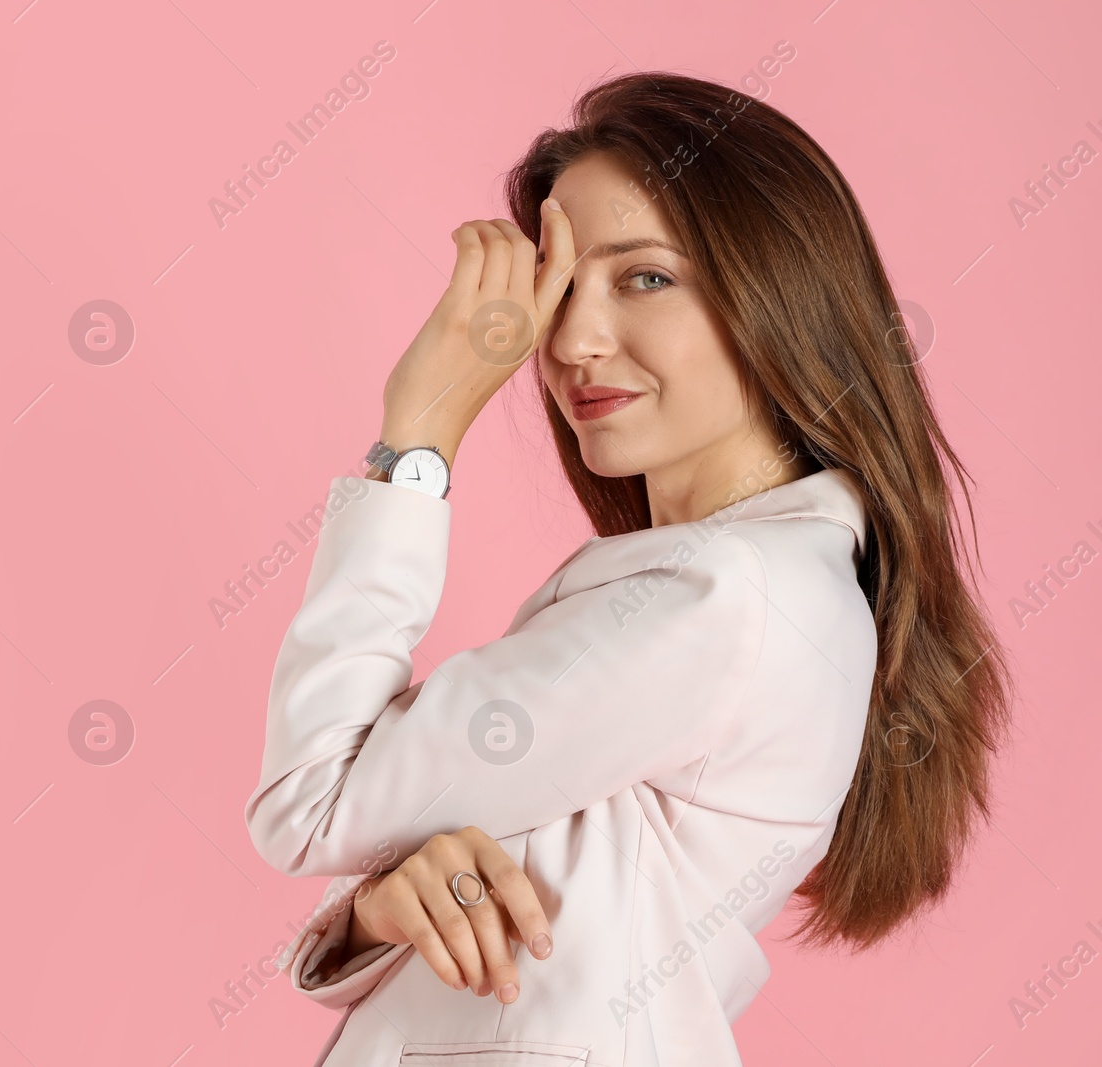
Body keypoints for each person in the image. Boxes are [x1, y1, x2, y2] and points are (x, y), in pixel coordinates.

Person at [243, 71, 1013, 1066]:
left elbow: (308, 806)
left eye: (642, 276)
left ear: (775, 292)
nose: (570, 341)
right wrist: (386, 903)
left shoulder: (725, 599)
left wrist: (417, 440)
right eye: (559, 287)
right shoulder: (746, 583)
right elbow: (541, 884)